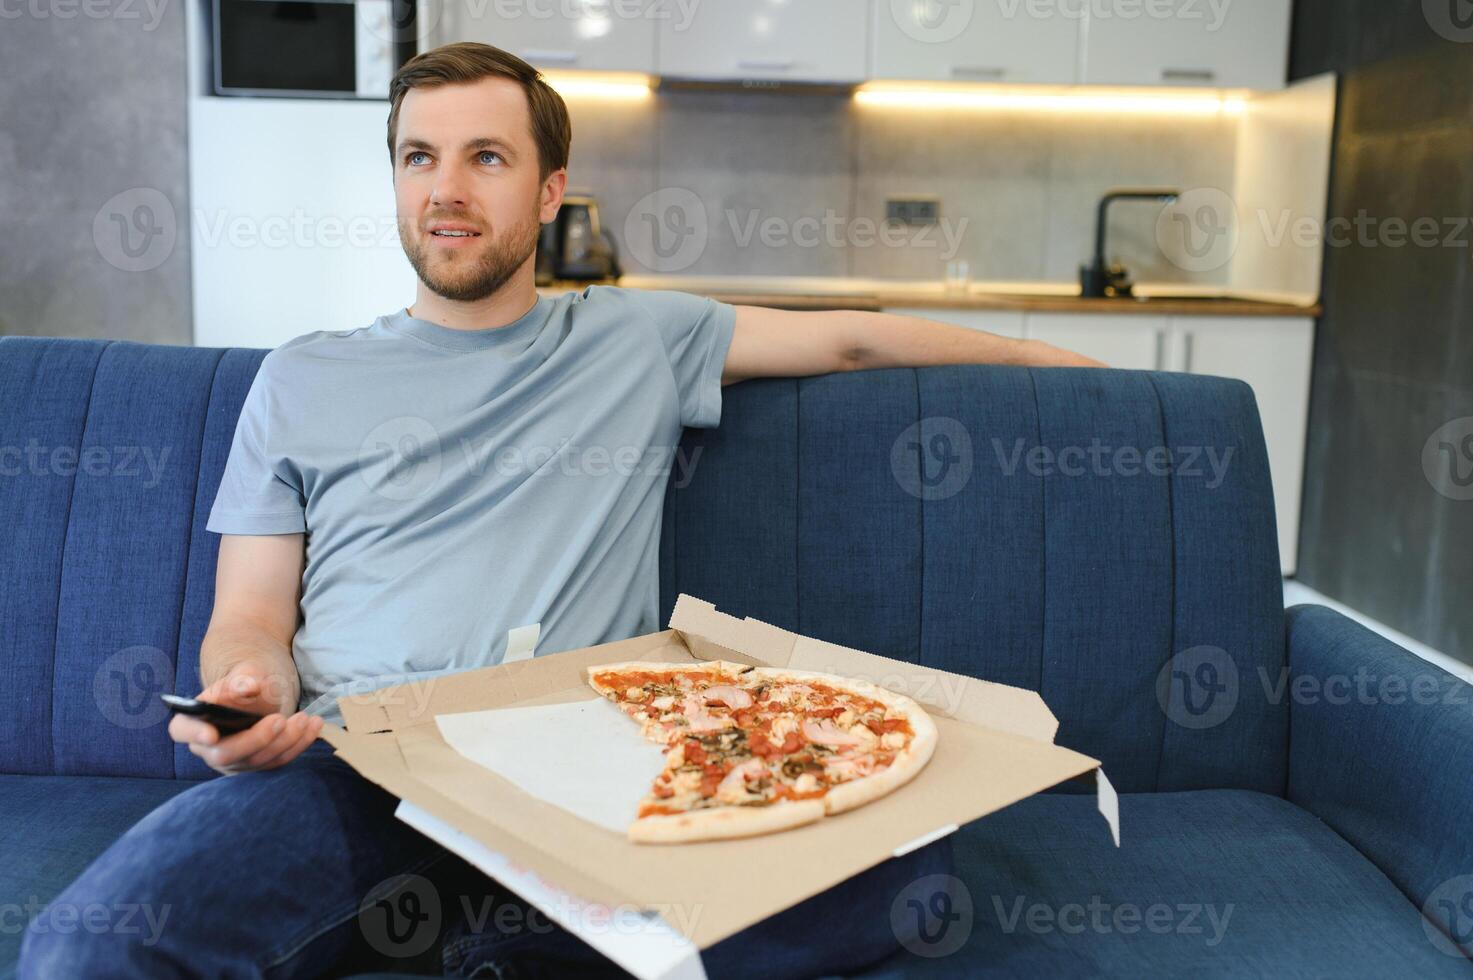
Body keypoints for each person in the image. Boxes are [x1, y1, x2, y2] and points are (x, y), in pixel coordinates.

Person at [19, 42, 1101, 979]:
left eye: (486, 157)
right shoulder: (302, 378)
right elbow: (250, 614)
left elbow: (855, 337)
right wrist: (247, 684)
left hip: (599, 770)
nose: (447, 188)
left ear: (548, 191)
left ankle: (515, 946)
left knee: (919, 864)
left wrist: (1055, 363)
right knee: (84, 949)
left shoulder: (636, 339)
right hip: (359, 766)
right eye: (419, 157)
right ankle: (549, 942)